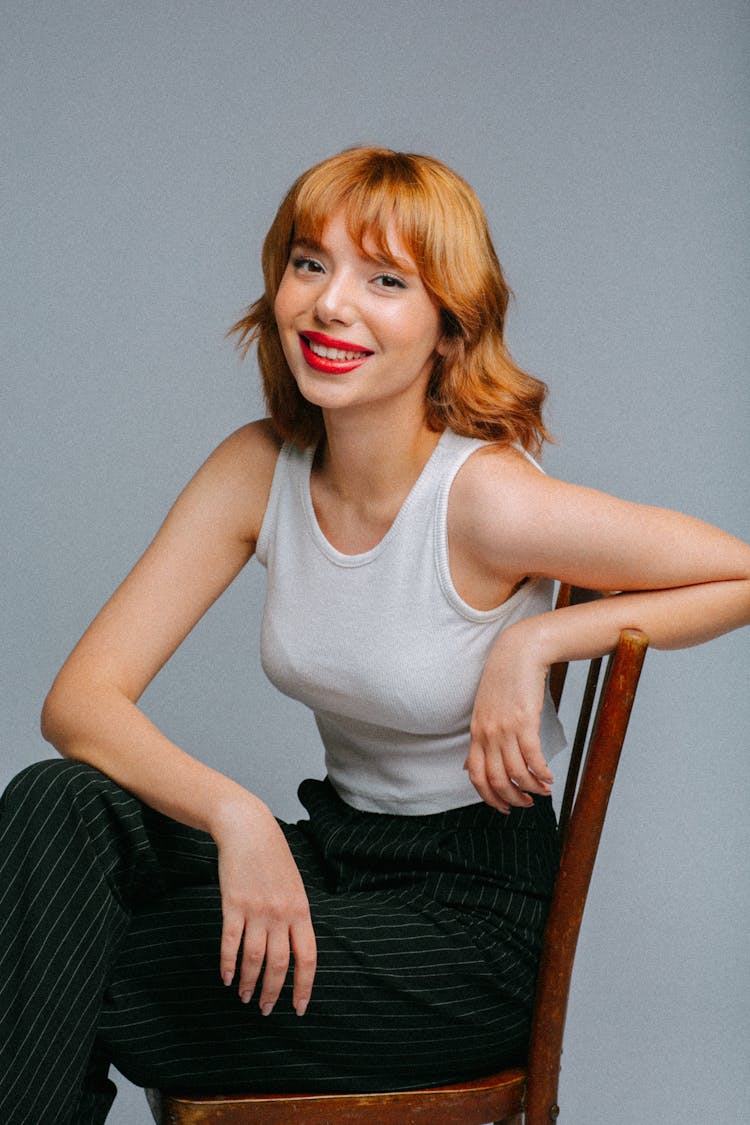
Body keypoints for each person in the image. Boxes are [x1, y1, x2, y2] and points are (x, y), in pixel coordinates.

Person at [1, 146, 748, 1125]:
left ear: (448, 325)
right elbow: (80, 703)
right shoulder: (257, 469)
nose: (330, 305)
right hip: (334, 858)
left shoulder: (484, 502)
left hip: (466, 926)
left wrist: (537, 645)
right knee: (59, 802)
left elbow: (739, 570)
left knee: (63, 963)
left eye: (386, 281)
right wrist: (241, 820)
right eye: (310, 263)